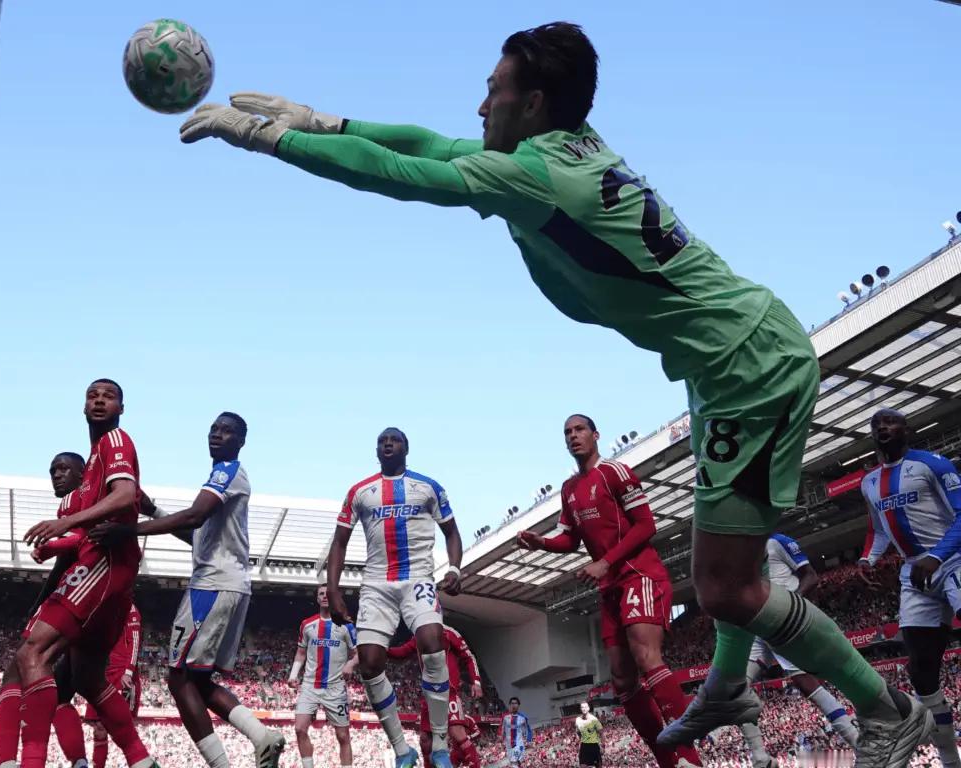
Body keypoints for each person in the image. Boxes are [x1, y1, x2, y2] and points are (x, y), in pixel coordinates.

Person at [178, 20, 934, 766]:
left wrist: (272, 140)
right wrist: (327, 121)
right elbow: (431, 144)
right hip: (725, 360)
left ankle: (886, 711)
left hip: (747, 366)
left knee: (727, 588)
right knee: (727, 568)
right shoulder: (568, 147)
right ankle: (729, 687)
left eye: (493, 91)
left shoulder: (535, 176)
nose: (481, 107)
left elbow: (399, 172)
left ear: (534, 102)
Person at [517, 414, 700, 768]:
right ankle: (668, 760)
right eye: (567, 432)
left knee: (646, 657)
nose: (573, 436)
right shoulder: (569, 489)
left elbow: (646, 524)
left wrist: (605, 561)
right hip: (610, 587)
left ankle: (688, 755)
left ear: (596, 435)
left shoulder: (615, 472)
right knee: (621, 680)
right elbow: (571, 540)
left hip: (639, 573)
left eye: (579, 429)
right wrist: (542, 543)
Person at [17, 379, 158, 768]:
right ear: (82, 407)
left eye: (108, 396)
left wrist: (65, 525)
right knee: (88, 678)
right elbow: (96, 521)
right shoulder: (96, 458)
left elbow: (125, 496)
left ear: (121, 408)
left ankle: (30, 761)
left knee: (32, 652)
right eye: (92, 396)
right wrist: (56, 544)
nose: (99, 401)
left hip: (104, 563)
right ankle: (141, 761)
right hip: (110, 568)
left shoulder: (115, 441)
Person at [134, 412, 286, 768]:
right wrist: (153, 510)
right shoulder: (223, 480)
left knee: (178, 677)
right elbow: (197, 535)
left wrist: (130, 530)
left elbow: (194, 516)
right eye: (214, 429)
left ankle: (221, 764)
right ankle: (263, 737)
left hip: (212, 585)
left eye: (227, 430)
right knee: (199, 681)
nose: (217, 434)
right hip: (228, 584)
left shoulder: (227, 472)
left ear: (241, 441)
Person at [325, 427, 464, 768]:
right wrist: (333, 589)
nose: (387, 444)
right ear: (376, 451)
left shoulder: (429, 487)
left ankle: (440, 745)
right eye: (382, 441)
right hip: (376, 584)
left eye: (394, 440)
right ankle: (402, 750)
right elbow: (339, 542)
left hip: (418, 579)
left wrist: (454, 569)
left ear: (406, 448)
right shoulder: (359, 492)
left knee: (432, 643)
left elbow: (452, 532)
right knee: (369, 663)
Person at [858, 408, 961, 768]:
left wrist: (936, 555)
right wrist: (867, 560)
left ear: (906, 428)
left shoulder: (933, 464)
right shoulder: (869, 482)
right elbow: (878, 529)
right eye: (876, 424)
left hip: (953, 558)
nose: (882, 427)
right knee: (920, 668)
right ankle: (950, 760)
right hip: (914, 573)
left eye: (890, 421)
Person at [0, 451, 87, 768]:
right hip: (92, 592)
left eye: (64, 469)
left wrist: (49, 546)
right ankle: (80, 762)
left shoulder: (75, 500)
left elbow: (77, 542)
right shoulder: (87, 501)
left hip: (79, 589)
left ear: (82, 474)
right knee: (64, 693)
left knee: (22, 666)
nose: (56, 475)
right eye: (52, 470)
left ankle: (14, 761)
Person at [738, 532, 859, 768]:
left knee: (806, 684)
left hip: (783, 619)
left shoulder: (776, 542)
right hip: (756, 626)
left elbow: (810, 576)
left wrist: (791, 603)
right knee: (736, 688)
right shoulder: (736, 553)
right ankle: (760, 758)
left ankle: (857, 741)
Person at [386, 617, 483, 768]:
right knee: (425, 740)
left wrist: (476, 681)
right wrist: (382, 650)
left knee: (457, 732)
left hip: (448, 692)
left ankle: (476, 765)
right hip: (429, 695)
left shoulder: (449, 632)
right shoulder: (419, 635)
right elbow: (402, 652)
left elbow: (468, 656)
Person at [291, 585, 358, 768]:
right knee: (299, 728)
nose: (325, 596)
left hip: (335, 688)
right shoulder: (307, 624)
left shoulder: (346, 626)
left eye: (328, 593)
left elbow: (358, 653)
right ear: (317, 599)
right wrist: (293, 675)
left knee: (343, 735)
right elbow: (300, 653)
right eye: (321, 594)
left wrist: (350, 664)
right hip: (310, 685)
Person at [90, 603, 144, 768]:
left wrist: (128, 671)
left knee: (125, 732)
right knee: (99, 727)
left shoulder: (130, 609)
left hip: (122, 674)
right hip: (103, 672)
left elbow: (135, 640)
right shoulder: (103, 607)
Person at [499, 697, 531, 766]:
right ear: (509, 705)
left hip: (519, 744)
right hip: (508, 746)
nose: (514, 705)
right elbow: (501, 728)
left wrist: (528, 740)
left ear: (518, 705)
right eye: (512, 703)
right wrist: (501, 737)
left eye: (515, 703)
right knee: (514, 764)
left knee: (514, 762)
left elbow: (528, 729)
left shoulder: (523, 717)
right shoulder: (505, 717)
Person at [575, 702, 602, 768]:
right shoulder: (578, 720)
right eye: (582, 707)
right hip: (584, 746)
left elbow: (601, 733)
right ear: (580, 709)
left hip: (594, 745)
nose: (584, 709)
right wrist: (578, 743)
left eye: (585, 707)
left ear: (588, 708)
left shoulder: (594, 719)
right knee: (582, 766)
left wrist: (602, 746)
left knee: (598, 765)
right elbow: (578, 732)